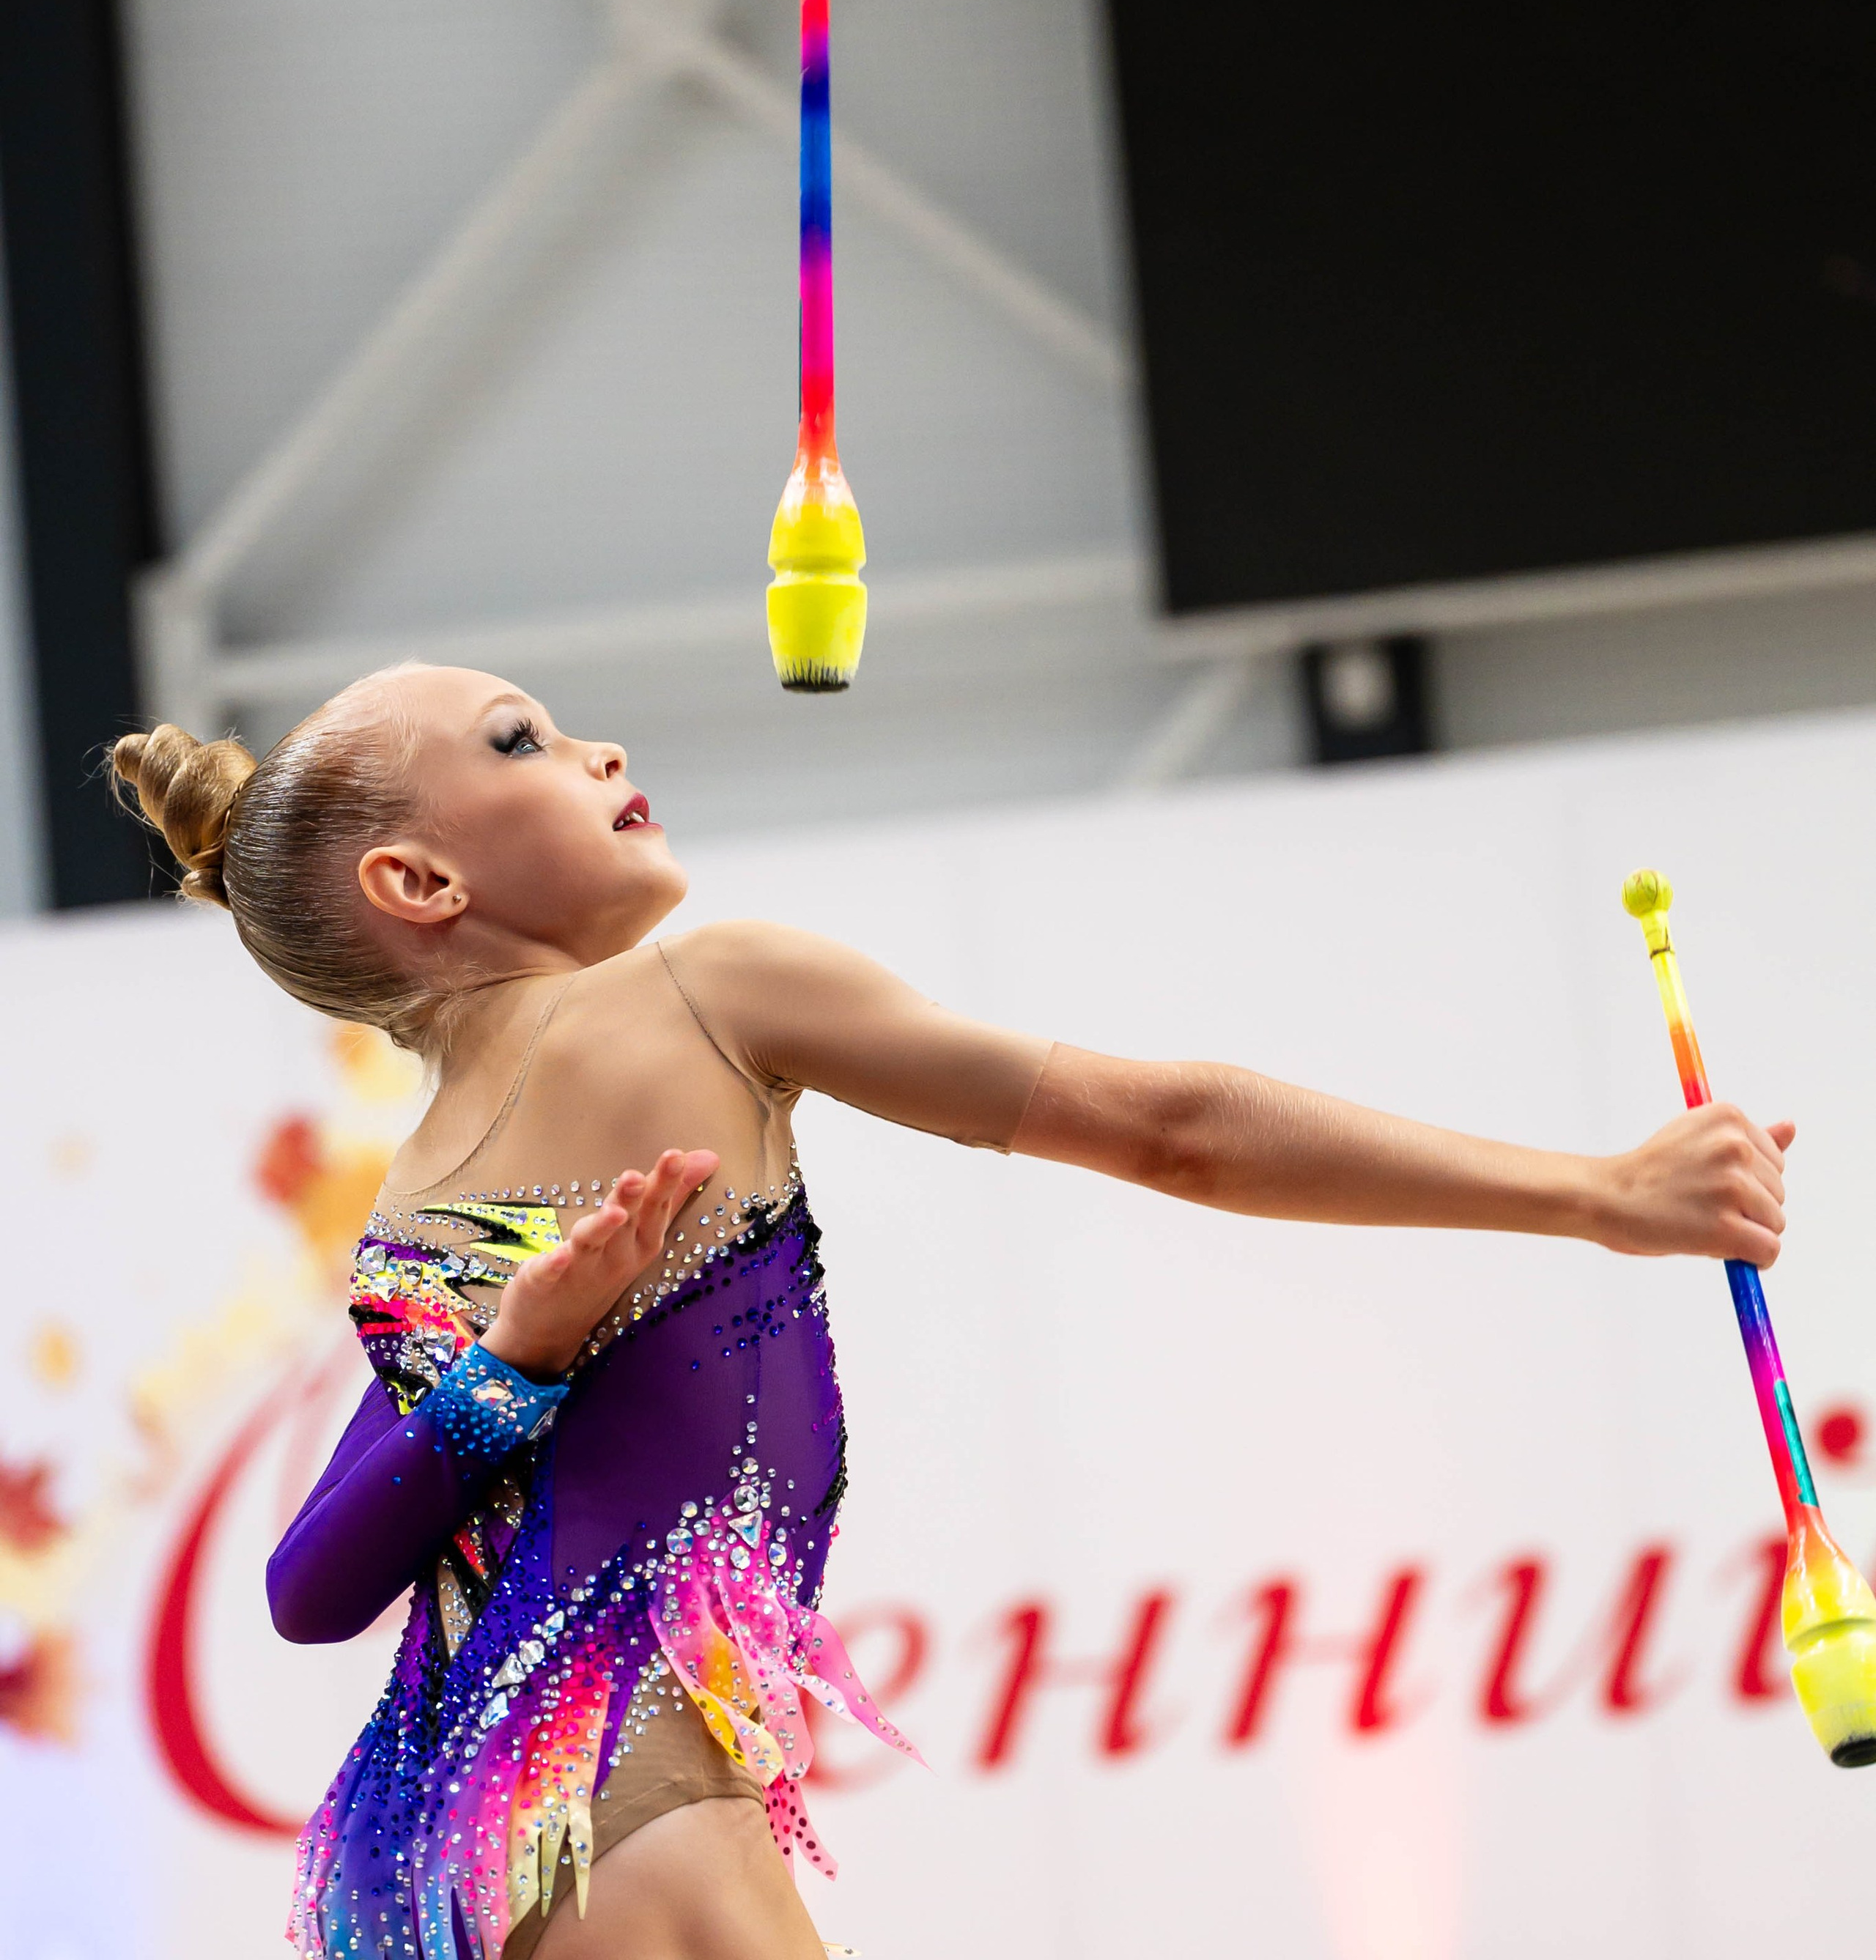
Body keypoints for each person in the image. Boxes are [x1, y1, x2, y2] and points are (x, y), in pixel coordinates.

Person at [113, 666, 1793, 1960]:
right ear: (418, 882)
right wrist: (1594, 1192)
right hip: (628, 1776)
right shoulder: (705, 988)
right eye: (522, 742)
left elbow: (309, 1587)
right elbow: (1172, 1129)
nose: (599, 749)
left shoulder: (412, 1214)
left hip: (448, 1853)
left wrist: (515, 1364)